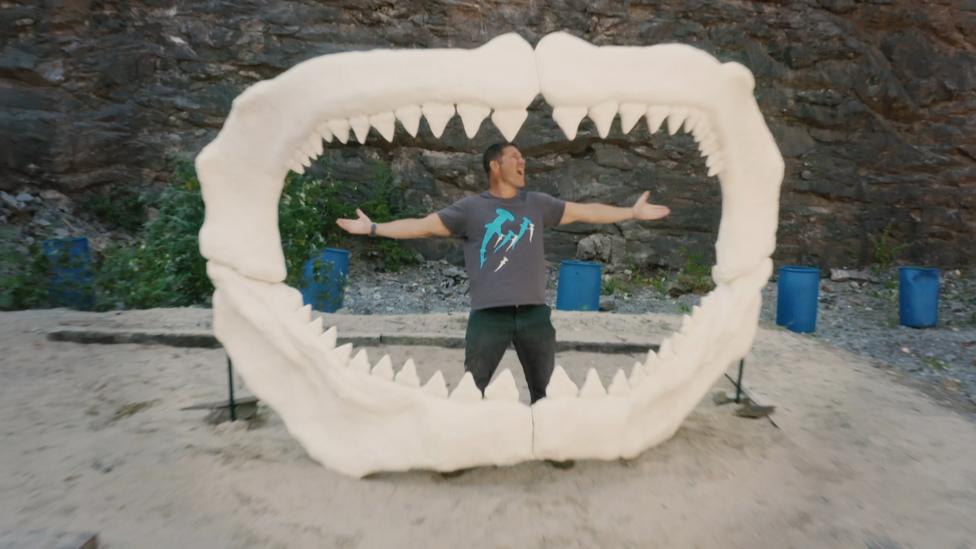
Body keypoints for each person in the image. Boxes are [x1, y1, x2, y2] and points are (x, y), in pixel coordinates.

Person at [337, 142, 670, 404]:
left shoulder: (538, 204)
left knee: (545, 389)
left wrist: (631, 212)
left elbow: (585, 211)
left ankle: (547, 444)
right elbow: (422, 227)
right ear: (495, 166)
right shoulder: (470, 209)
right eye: (515, 157)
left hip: (534, 316)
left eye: (523, 157)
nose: (523, 161)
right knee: (472, 388)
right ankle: (463, 454)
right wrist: (374, 228)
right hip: (488, 317)